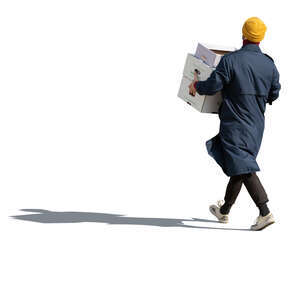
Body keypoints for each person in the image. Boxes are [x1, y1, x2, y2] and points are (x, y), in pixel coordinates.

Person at [188, 17, 281, 230]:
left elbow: (213, 85)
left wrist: (196, 85)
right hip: (256, 125)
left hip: (235, 122)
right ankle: (224, 211)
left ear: (244, 35)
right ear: (261, 38)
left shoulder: (231, 61)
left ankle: (265, 212)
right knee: (240, 164)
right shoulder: (269, 64)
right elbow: (274, 93)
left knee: (243, 165)